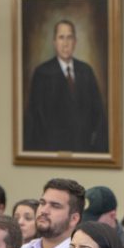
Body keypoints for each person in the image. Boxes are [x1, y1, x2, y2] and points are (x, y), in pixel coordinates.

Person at [24, 19, 107, 152]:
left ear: (75, 42)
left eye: (69, 38)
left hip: (83, 150)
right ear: (54, 42)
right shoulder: (42, 73)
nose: (65, 44)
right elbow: (35, 120)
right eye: (61, 38)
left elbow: (99, 115)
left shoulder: (86, 71)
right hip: (53, 150)